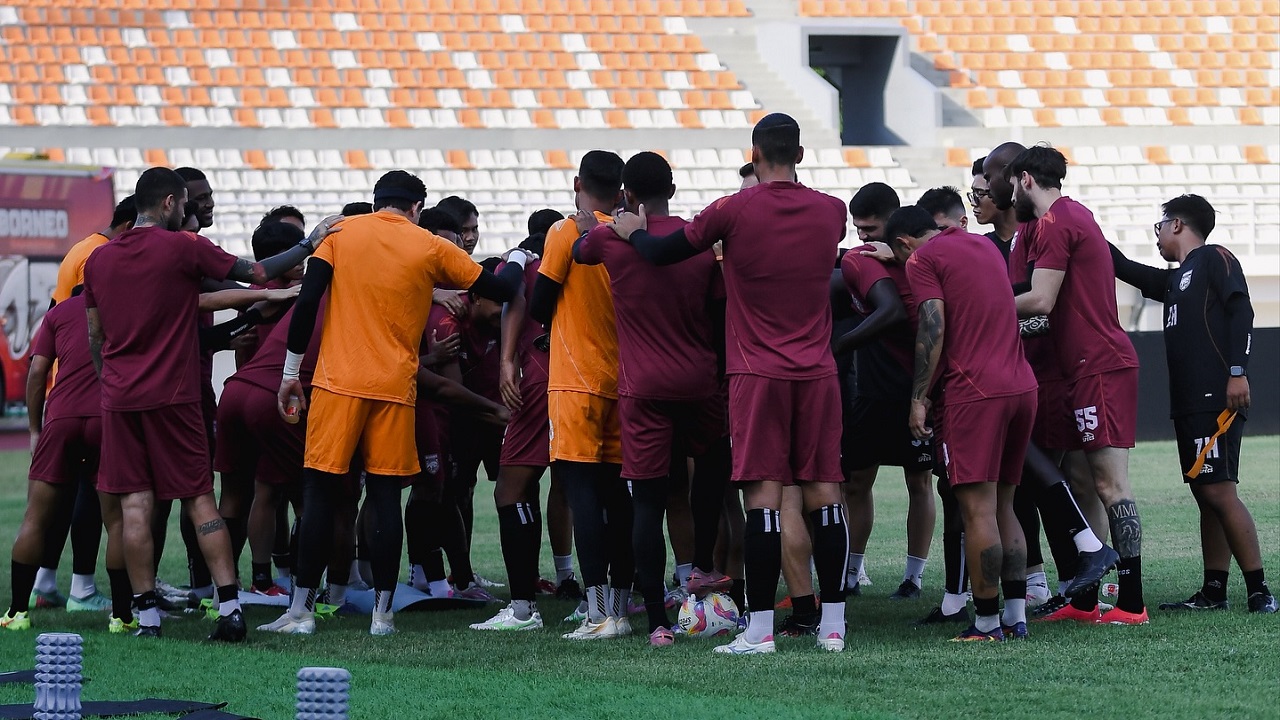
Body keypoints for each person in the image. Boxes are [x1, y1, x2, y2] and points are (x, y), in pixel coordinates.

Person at [610, 113, 851, 654]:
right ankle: (833, 627)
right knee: (824, 493)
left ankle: (759, 631)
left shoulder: (732, 210)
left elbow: (664, 253)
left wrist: (633, 232)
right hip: (817, 372)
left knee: (763, 498)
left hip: (757, 372)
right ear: (800, 154)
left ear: (754, 153)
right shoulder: (832, 210)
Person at [261, 170, 523, 637]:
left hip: (338, 384)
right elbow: (501, 290)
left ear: (376, 200)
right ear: (416, 208)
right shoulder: (430, 245)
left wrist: (289, 374)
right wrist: (519, 258)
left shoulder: (341, 232)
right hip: (394, 388)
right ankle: (382, 615)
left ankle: (300, 612)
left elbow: (308, 302)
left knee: (319, 494)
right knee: (384, 498)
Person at [82, 167, 330, 640]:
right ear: (170, 203)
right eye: (185, 204)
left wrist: (106, 382)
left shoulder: (98, 260)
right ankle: (231, 609)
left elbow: (96, 334)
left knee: (134, 504)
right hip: (174, 396)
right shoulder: (184, 247)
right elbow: (257, 272)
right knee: (199, 499)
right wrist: (308, 243)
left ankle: (146, 617)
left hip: (119, 398)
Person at [577, 151, 730, 646]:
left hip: (642, 387)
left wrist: (598, 224)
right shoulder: (696, 240)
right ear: (673, 189)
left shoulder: (609, 239)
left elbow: (580, 250)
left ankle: (657, 624)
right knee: (711, 467)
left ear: (626, 193)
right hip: (700, 380)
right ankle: (701, 566)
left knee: (647, 502)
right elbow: (719, 308)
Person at [1110, 195, 1275, 614]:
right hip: (1188, 402)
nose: (1158, 235)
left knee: (1219, 490)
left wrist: (1237, 371)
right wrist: (1084, 233)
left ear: (1178, 224)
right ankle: (1213, 590)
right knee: (1206, 493)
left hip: (1215, 396)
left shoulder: (1215, 258)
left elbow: (1241, 311)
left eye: (1160, 226)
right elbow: (1126, 268)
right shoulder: (1176, 279)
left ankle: (1259, 591)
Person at [1009, 145, 1148, 625]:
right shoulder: (1068, 217)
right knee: (1085, 481)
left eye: (1012, 184)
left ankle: (1132, 602)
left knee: (1111, 484)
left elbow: (1040, 300)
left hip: (1100, 366)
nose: (1011, 194)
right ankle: (1086, 601)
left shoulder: (1055, 222)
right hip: (1082, 367)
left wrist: (978, 306)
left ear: (1026, 179)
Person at [886, 206, 1038, 641]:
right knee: (1005, 505)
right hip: (1021, 385)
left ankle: (986, 622)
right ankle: (1015, 616)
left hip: (974, 393)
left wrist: (919, 397)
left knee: (977, 510)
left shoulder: (921, 259)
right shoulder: (983, 246)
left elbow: (932, 325)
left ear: (904, 243)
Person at [529, 150, 635, 640]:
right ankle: (621, 607)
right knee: (619, 497)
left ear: (578, 183)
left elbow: (539, 303)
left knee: (583, 496)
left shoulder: (565, 231)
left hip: (575, 382)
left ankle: (597, 614)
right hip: (624, 382)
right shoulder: (631, 233)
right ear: (621, 191)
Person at [2, 286, 125, 632]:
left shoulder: (57, 313)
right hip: (106, 418)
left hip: (61, 419)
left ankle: (17, 613)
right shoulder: (121, 305)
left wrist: (34, 429)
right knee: (117, 522)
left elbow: (37, 371)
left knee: (35, 517)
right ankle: (122, 616)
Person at [834, 209, 935, 602]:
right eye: (858, 229)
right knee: (857, 482)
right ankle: (851, 573)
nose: (863, 237)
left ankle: (914, 578)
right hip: (870, 393)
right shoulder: (860, 266)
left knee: (920, 482)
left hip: (915, 392)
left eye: (871, 229)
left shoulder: (919, 265)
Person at [52, 196, 137, 305]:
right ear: (129, 227)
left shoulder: (85, 246)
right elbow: (83, 308)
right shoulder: (99, 255)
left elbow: (55, 302)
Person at [969, 158, 1016, 260]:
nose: (973, 203)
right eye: (973, 194)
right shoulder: (981, 248)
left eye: (980, 193)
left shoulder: (1037, 238)